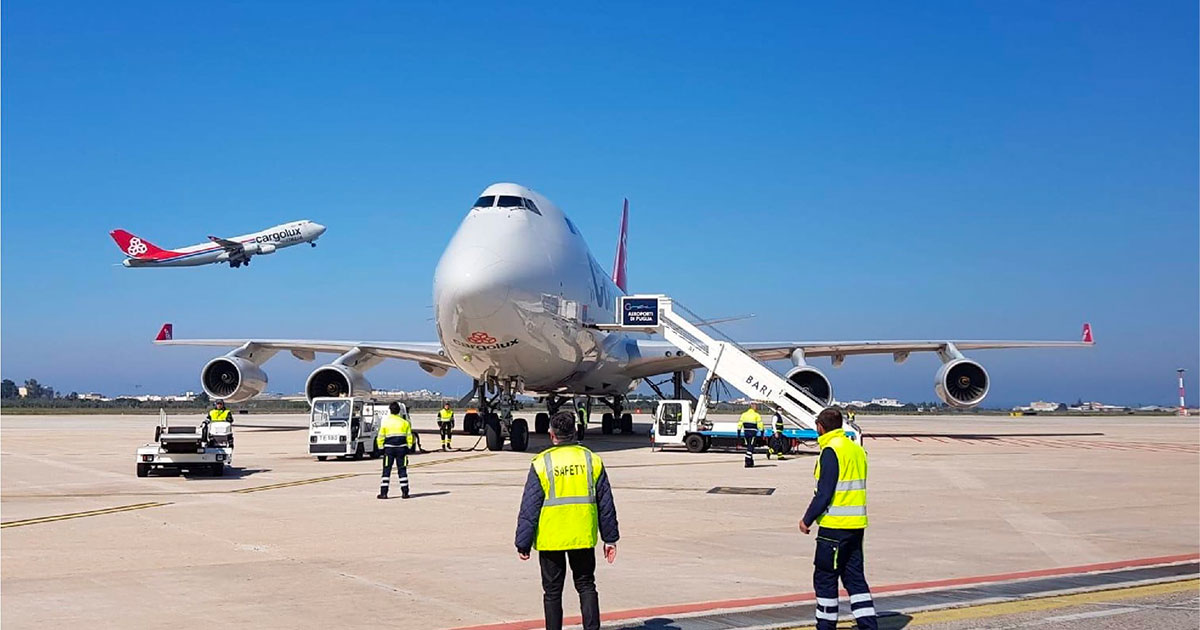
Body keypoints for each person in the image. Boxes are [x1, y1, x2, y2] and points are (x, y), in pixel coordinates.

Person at [515, 411, 619, 630]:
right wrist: (610, 539)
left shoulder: (542, 462)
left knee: (552, 592)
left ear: (551, 434)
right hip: (582, 535)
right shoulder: (591, 460)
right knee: (586, 586)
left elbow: (530, 506)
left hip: (551, 538)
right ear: (576, 432)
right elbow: (606, 503)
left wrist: (523, 542)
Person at [798, 408, 875, 630]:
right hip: (856, 526)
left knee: (825, 579)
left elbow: (825, 493)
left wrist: (807, 519)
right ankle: (869, 625)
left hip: (833, 527)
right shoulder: (856, 449)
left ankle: (825, 626)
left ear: (820, 427)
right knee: (855, 579)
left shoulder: (831, 451)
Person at [376, 402, 413, 500]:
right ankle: (405, 492)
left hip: (389, 449)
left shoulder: (386, 422)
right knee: (402, 470)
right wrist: (409, 447)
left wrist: (380, 448)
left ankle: (384, 493)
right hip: (402, 449)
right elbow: (409, 437)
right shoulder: (405, 423)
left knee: (386, 471)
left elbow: (380, 437)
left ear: (390, 410)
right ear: (399, 411)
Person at [738, 402, 763, 468]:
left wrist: (739, 433)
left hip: (746, 433)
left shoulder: (744, 414)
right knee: (751, 448)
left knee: (749, 446)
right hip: (752, 433)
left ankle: (751, 462)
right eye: (756, 406)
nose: (757, 407)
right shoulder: (756, 415)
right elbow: (760, 424)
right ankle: (747, 460)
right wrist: (762, 433)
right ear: (753, 407)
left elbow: (740, 424)